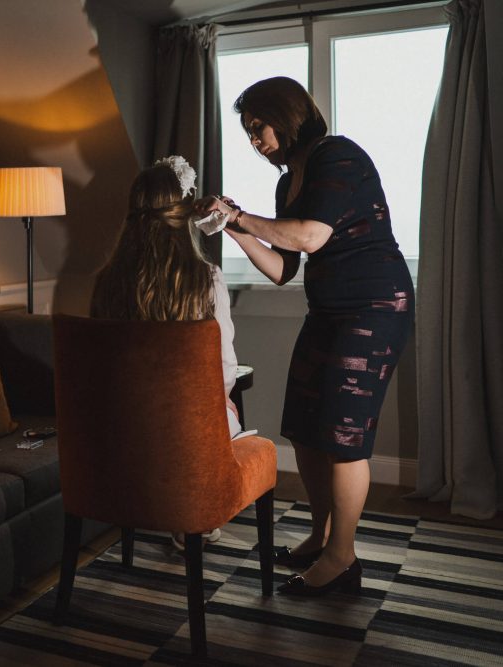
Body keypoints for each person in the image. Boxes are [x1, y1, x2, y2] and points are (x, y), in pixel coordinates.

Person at [195, 76, 414, 597]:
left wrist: (243, 215)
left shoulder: (337, 156)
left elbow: (312, 235)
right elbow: (282, 269)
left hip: (375, 305)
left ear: (286, 114)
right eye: (247, 132)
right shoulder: (285, 181)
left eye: (258, 127)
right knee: (303, 424)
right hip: (328, 309)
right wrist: (233, 228)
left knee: (342, 435)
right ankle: (320, 537)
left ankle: (343, 559)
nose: (254, 139)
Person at [91, 156, 245, 549]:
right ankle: (192, 511)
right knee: (223, 407)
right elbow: (224, 371)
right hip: (186, 435)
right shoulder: (205, 279)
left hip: (119, 430)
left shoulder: (107, 283)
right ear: (182, 216)